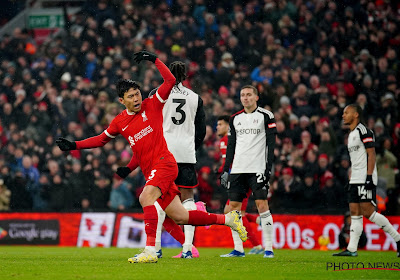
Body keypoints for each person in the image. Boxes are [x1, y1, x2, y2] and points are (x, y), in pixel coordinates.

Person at [56, 51, 247, 263]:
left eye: (137, 93)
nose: (136, 98)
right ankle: (228, 219)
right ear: (122, 100)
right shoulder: (120, 122)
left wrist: (154, 59)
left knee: (145, 198)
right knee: (181, 216)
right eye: (130, 96)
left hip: (165, 164)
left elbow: (170, 80)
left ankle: (150, 251)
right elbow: (101, 139)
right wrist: (74, 145)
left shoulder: (153, 104)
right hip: (152, 170)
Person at [119, 61, 207, 259]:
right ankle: (188, 250)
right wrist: (192, 148)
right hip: (186, 152)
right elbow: (201, 130)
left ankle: (155, 247)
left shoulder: (156, 93)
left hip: (163, 153)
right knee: (188, 200)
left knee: (157, 199)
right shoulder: (195, 98)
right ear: (185, 76)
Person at [333, 104, 400, 257]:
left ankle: (398, 238)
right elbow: (358, 159)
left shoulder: (364, 131)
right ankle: (351, 249)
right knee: (354, 212)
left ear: (356, 114)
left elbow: (372, 154)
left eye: (346, 113)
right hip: (355, 178)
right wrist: (351, 179)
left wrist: (369, 177)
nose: (343, 115)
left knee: (368, 212)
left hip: (365, 177)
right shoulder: (351, 135)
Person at [220, 85, 277, 258]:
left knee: (262, 205)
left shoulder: (266, 116)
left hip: (257, 167)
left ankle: (269, 249)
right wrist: (226, 170)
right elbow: (231, 145)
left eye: (249, 95)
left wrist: (268, 167)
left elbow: (271, 143)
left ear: (256, 97)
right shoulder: (234, 118)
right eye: (243, 95)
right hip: (238, 169)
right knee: (233, 209)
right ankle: (238, 249)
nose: (245, 98)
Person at [217, 114, 264, 256]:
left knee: (235, 212)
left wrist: (224, 172)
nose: (217, 127)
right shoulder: (228, 140)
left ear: (227, 126)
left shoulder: (228, 140)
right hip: (242, 175)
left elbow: (233, 160)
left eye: (220, 124)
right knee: (229, 211)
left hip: (241, 177)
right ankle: (255, 220)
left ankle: (256, 245)